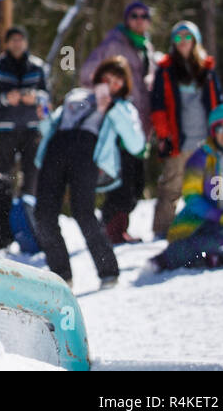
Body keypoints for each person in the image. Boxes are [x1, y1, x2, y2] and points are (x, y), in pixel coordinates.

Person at [33, 57, 145, 288]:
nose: (111, 84)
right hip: (56, 149)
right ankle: (61, 276)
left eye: (117, 82)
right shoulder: (77, 96)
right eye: (107, 79)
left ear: (123, 86)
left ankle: (108, 271)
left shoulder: (122, 108)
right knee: (43, 214)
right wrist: (43, 117)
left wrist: (110, 108)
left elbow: (136, 144)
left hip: (86, 153)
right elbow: (53, 126)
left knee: (83, 212)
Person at [151, 104, 223, 271]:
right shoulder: (201, 158)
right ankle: (170, 257)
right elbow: (192, 199)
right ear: (213, 131)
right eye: (220, 128)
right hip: (206, 223)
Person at [80, 0, 156, 243]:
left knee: (136, 180)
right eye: (134, 15)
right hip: (117, 124)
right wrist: (106, 97)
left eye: (144, 16)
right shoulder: (115, 43)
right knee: (122, 181)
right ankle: (112, 230)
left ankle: (116, 227)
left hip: (140, 122)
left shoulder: (146, 47)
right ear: (126, 19)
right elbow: (87, 74)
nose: (139, 20)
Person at [149, 21, 223, 240]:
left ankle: (205, 227)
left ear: (195, 40)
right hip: (177, 141)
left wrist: (220, 133)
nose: (182, 42)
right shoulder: (165, 70)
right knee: (171, 187)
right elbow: (158, 106)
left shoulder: (207, 69)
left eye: (187, 37)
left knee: (207, 185)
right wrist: (164, 135)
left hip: (206, 139)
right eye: (178, 37)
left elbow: (217, 102)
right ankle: (162, 231)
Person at [0, 26, 50, 250]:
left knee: (33, 176)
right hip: (4, 129)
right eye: (14, 40)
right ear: (7, 43)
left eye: (21, 39)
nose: (18, 43)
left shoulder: (38, 67)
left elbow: (47, 99)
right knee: (3, 180)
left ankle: (30, 226)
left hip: (32, 129)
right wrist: (4, 98)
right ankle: (1, 230)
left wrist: (37, 98)